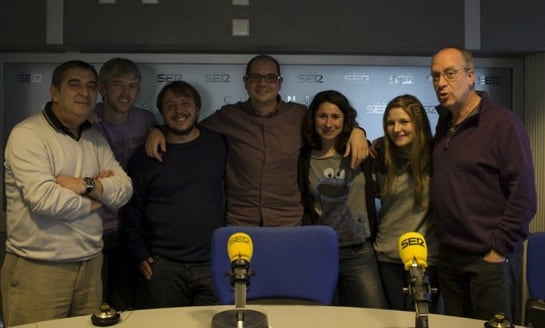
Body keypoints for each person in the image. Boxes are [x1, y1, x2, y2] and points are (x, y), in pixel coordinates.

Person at [145, 54, 368, 226]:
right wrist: (158, 130)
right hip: (240, 222)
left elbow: (331, 124)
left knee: (283, 285)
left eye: (270, 77)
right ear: (245, 81)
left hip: (287, 222)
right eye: (255, 77)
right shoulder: (228, 116)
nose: (263, 83)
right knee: (241, 286)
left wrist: (358, 132)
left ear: (279, 83)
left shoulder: (300, 115)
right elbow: (187, 127)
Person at [1, 60, 133, 327]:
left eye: (91, 86)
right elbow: (46, 201)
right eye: (75, 85)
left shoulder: (93, 138)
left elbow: (124, 190)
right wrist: (100, 195)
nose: (84, 93)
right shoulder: (28, 134)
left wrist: (85, 185)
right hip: (38, 269)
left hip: (90, 265)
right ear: (54, 92)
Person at [430, 46, 536, 321]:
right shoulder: (445, 124)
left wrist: (498, 250)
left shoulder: (503, 124)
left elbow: (523, 197)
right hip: (451, 258)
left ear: (471, 76)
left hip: (488, 260)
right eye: (435, 76)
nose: (441, 83)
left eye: (450, 74)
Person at [122, 81, 226, 308]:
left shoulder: (217, 144)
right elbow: (130, 207)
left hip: (212, 263)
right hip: (162, 267)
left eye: (185, 104)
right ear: (161, 112)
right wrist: (138, 251)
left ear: (198, 109)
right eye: (170, 106)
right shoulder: (144, 157)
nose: (179, 111)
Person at [297, 90, 387, 308]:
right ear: (313, 119)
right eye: (322, 116)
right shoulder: (304, 157)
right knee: (321, 319)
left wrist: (359, 132)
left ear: (345, 120)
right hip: (320, 252)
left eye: (335, 117)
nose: (329, 123)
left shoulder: (360, 150)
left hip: (359, 251)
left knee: (377, 315)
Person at [94, 57, 158, 310]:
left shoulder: (146, 120)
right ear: (102, 88)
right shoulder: (89, 117)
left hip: (130, 229)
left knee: (126, 307)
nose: (126, 92)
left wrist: (158, 130)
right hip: (93, 229)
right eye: (118, 84)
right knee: (91, 306)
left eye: (132, 86)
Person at [372, 94, 440, 312]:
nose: (396, 128)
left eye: (404, 122)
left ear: (418, 124)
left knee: (423, 317)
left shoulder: (438, 157)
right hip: (388, 254)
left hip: (426, 257)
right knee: (396, 319)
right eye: (390, 123)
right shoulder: (381, 157)